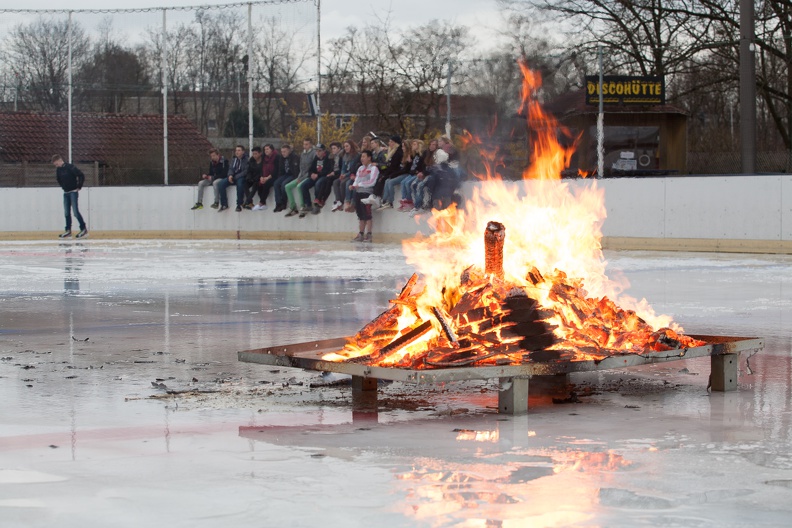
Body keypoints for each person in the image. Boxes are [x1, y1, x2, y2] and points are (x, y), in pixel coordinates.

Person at [52, 154, 88, 239]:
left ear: (60, 160)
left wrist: (79, 186)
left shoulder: (70, 167)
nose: (56, 166)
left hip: (73, 192)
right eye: (55, 165)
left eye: (57, 164)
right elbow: (58, 179)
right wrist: (64, 187)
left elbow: (81, 175)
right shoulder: (58, 170)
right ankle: (68, 230)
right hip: (66, 192)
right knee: (66, 213)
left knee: (75, 212)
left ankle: (83, 229)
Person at [363, 135, 403, 209]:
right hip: (383, 171)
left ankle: (379, 198)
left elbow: (387, 164)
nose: (389, 143)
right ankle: (374, 196)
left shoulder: (385, 152)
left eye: (391, 142)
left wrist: (377, 165)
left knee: (382, 179)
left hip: (387, 171)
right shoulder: (374, 153)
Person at [349, 149, 379, 243]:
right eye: (361, 156)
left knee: (367, 214)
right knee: (360, 215)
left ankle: (369, 234)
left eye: (364, 156)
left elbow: (372, 181)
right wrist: (353, 186)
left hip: (367, 193)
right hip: (358, 192)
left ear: (369, 158)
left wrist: (360, 185)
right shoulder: (360, 168)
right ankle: (361, 233)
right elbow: (357, 179)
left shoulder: (373, 168)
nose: (362, 158)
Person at [296, 143, 332, 218]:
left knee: (318, 184)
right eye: (316, 151)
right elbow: (311, 169)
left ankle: (317, 203)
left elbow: (327, 170)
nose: (317, 153)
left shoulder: (328, 158)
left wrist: (318, 175)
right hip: (315, 176)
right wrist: (312, 174)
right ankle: (308, 204)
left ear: (324, 151)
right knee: (303, 185)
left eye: (319, 151)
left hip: (323, 177)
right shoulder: (316, 158)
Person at [379, 137, 415, 210]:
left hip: (406, 174)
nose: (402, 148)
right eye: (402, 146)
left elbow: (406, 169)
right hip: (402, 172)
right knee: (387, 181)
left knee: (391, 182)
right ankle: (385, 200)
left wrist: (409, 162)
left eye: (404, 146)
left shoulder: (409, 155)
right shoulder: (404, 155)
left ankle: (391, 201)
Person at [284, 138, 316, 217]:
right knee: (287, 186)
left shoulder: (314, 153)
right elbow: (301, 167)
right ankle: (293, 206)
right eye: (304, 144)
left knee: (299, 186)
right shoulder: (303, 154)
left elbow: (311, 168)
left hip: (308, 176)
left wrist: (301, 179)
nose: (304, 146)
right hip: (301, 176)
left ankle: (302, 206)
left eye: (307, 144)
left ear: (311, 145)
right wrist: (299, 178)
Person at [312, 142, 343, 214]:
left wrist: (334, 173)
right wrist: (330, 172)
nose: (333, 150)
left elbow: (341, 168)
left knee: (328, 180)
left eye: (334, 148)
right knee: (326, 180)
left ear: (339, 148)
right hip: (333, 173)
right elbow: (331, 168)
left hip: (339, 173)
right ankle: (319, 199)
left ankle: (322, 199)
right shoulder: (332, 157)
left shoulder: (341, 157)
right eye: (332, 148)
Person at [330, 140, 360, 213]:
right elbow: (343, 167)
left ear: (351, 146)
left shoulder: (357, 156)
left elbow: (353, 169)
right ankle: (338, 200)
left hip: (352, 174)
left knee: (344, 183)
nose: (345, 148)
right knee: (335, 182)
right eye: (344, 147)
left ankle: (345, 201)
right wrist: (342, 174)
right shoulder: (344, 156)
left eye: (347, 146)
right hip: (345, 174)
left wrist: (345, 175)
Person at [217, 145, 249, 212]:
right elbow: (231, 168)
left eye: (239, 150)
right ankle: (224, 204)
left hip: (241, 177)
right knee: (221, 184)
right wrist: (230, 175)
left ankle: (239, 204)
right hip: (233, 176)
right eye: (236, 150)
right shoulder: (234, 159)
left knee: (240, 185)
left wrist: (237, 176)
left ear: (243, 152)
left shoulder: (247, 160)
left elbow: (246, 171)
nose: (237, 152)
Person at [396, 139, 425, 212]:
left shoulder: (421, 155)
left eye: (414, 144)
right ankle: (404, 199)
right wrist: (410, 162)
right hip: (412, 173)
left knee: (408, 183)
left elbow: (420, 166)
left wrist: (417, 170)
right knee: (403, 182)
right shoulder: (415, 155)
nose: (412, 146)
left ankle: (410, 200)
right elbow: (411, 166)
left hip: (416, 173)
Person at [272, 144, 300, 212]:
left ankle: (284, 203)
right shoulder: (282, 158)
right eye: (282, 152)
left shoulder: (295, 157)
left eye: (285, 151)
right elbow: (280, 169)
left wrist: (296, 177)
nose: (283, 153)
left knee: (284, 185)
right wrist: (279, 177)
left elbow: (296, 169)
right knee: (276, 183)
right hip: (285, 174)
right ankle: (278, 203)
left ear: (289, 151)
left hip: (293, 174)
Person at [250, 144, 277, 210]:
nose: (266, 151)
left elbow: (276, 170)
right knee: (259, 184)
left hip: (273, 176)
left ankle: (261, 202)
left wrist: (267, 178)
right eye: (265, 149)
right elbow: (262, 168)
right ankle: (263, 203)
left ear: (272, 150)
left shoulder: (276, 157)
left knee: (266, 184)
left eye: (267, 149)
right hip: (265, 176)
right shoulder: (264, 158)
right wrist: (262, 177)